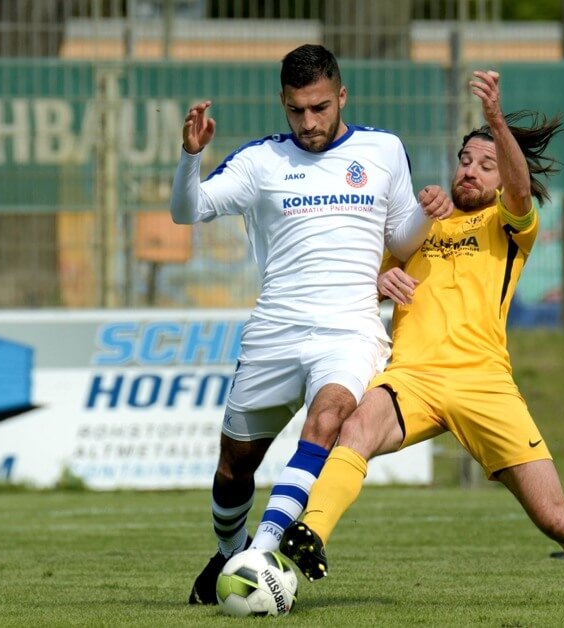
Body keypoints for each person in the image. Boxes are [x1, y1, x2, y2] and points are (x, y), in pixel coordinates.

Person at [276, 69, 564, 604]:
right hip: (412, 378)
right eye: (466, 160)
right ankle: (312, 534)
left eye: (486, 165)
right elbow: (358, 284)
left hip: (485, 386)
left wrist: (494, 122)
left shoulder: (509, 226)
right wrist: (378, 278)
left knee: (556, 519)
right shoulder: (418, 227)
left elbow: (515, 186)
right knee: (356, 429)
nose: (471, 171)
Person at [171, 43, 452, 605]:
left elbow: (400, 239)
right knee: (233, 469)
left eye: (320, 107)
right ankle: (230, 556)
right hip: (275, 330)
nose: (309, 122)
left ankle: (263, 553)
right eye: (297, 110)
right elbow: (188, 211)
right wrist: (190, 159)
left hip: (350, 329)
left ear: (341, 95)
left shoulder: (383, 150)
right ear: (283, 102)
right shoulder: (260, 161)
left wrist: (428, 211)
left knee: (327, 419)